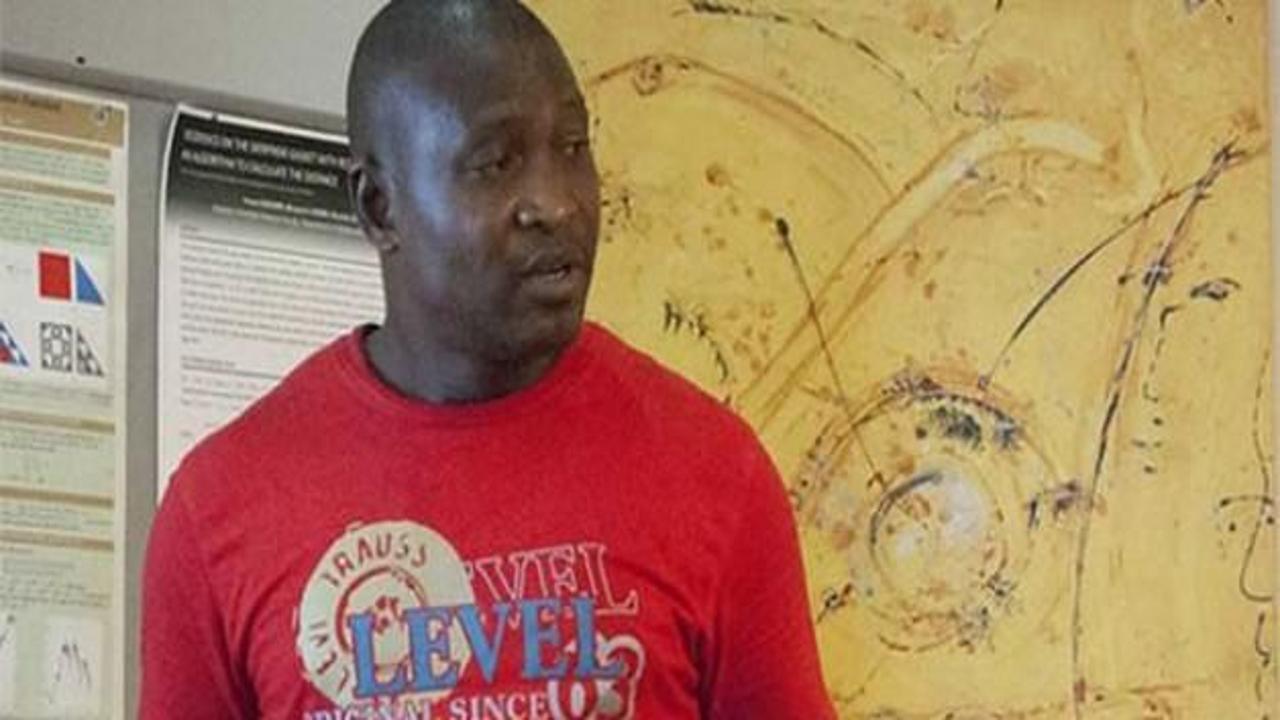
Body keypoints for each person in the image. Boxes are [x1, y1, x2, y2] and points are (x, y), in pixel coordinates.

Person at [140, 1, 835, 718]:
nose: (556, 205)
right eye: (496, 162)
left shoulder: (714, 473)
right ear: (379, 207)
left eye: (573, 147)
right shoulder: (219, 507)